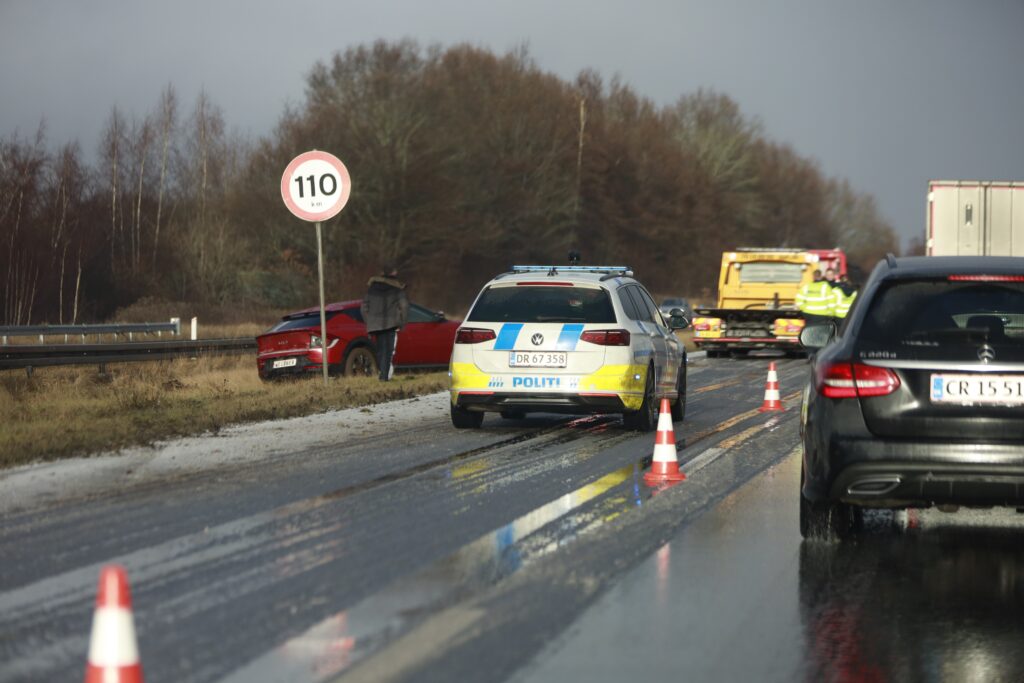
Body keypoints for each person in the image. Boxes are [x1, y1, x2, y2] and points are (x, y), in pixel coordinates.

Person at [360, 266, 409, 381]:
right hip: (391, 323)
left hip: (376, 324)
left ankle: (383, 375)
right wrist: (402, 323)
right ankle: (384, 377)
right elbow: (404, 306)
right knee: (388, 351)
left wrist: (369, 321)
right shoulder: (397, 289)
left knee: (381, 350)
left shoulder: (372, 289)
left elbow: (363, 308)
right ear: (393, 274)